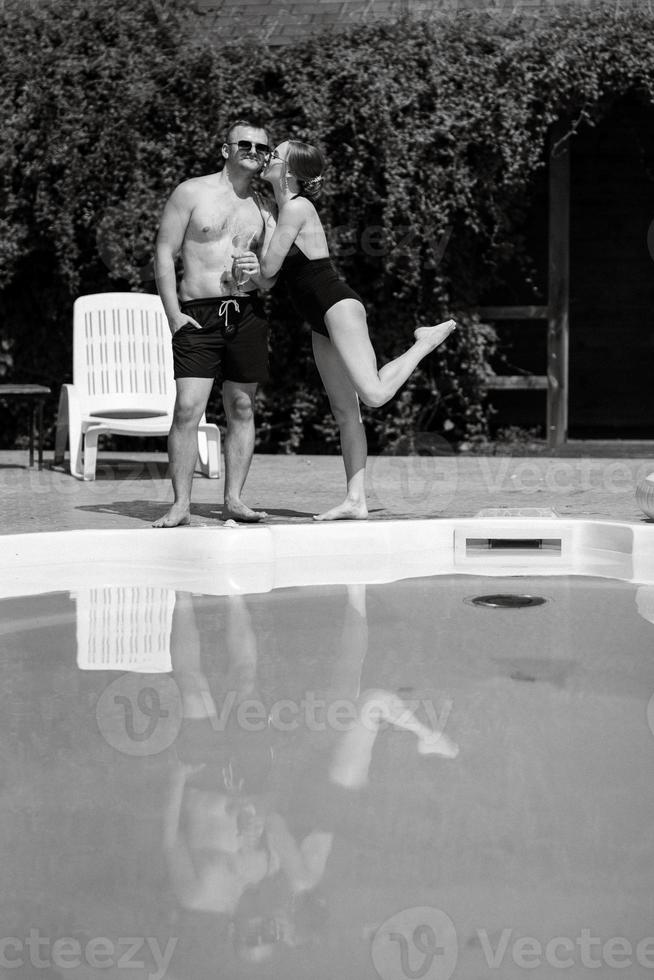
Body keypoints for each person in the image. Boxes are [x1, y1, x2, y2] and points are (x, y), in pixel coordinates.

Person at [250, 139, 456, 522]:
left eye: (274, 155)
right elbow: (265, 283)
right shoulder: (281, 213)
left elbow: (267, 270)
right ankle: (355, 500)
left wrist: (256, 251)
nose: (267, 159)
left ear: (290, 172)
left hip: (336, 305)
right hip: (318, 318)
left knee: (374, 394)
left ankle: (424, 342)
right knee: (345, 411)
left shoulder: (297, 208)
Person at [153, 119, 277, 527]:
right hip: (198, 313)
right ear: (226, 149)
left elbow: (271, 279)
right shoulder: (191, 192)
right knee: (188, 408)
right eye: (245, 144)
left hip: (245, 311)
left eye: (262, 147)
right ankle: (181, 504)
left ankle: (235, 500)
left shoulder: (263, 207)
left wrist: (257, 270)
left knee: (242, 406)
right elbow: (164, 252)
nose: (253, 152)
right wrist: (173, 315)